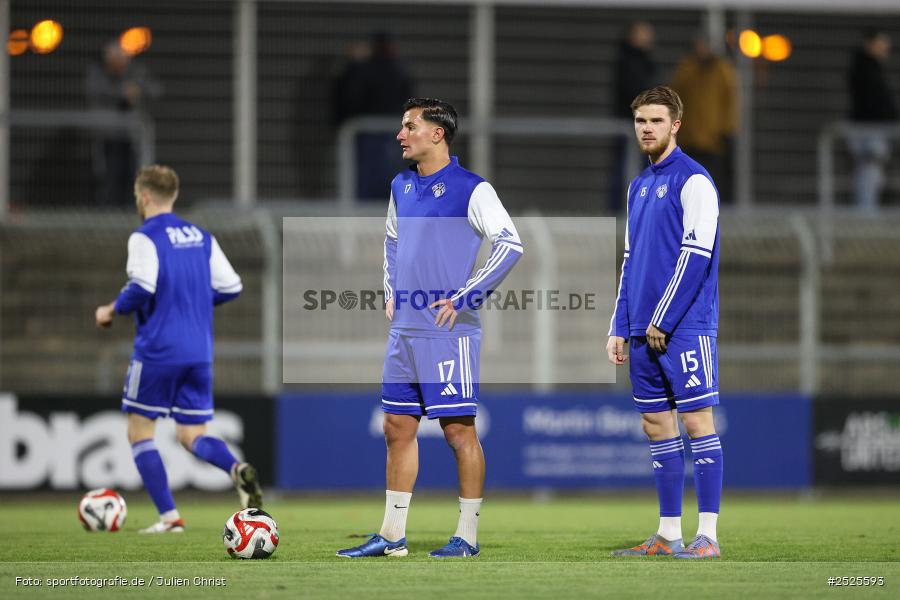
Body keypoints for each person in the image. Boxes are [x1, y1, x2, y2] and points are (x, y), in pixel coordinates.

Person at [336, 98, 523, 558]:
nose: (401, 135)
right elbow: (393, 241)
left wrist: (464, 298)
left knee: (459, 431)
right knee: (397, 426)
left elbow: (510, 244)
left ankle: (468, 536)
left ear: (437, 133)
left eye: (410, 126)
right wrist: (391, 290)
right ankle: (393, 536)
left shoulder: (472, 189)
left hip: (448, 330)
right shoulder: (400, 185)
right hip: (405, 330)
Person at [94, 165, 262, 533]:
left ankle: (170, 518)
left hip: (157, 350)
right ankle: (236, 469)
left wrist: (111, 309)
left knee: (140, 433)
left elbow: (141, 287)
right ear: (174, 195)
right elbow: (232, 286)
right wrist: (196, 301)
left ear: (144, 197)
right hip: (199, 351)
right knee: (192, 435)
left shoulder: (144, 237)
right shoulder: (201, 236)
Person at [606, 86, 723, 559]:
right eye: (640, 121)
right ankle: (669, 533)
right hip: (641, 329)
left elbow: (696, 255)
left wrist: (663, 317)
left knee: (697, 422)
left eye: (656, 120)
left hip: (685, 326)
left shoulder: (694, 181)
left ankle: (709, 537)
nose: (647, 129)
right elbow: (631, 260)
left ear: (676, 125)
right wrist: (620, 323)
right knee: (657, 423)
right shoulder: (638, 186)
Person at [332, 32, 415, 200]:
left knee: (374, 179)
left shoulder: (366, 69)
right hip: (377, 133)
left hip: (374, 133)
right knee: (383, 178)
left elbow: (349, 98)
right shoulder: (397, 70)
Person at [86, 40, 161, 205]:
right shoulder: (98, 74)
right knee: (109, 177)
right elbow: (96, 92)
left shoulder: (135, 73)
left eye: (123, 61)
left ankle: (128, 213)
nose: (120, 65)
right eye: (116, 61)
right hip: (107, 138)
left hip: (131, 138)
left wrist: (137, 92)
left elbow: (155, 90)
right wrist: (122, 93)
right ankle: (106, 213)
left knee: (133, 177)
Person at [670, 35, 736, 203]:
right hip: (688, 139)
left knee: (712, 182)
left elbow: (730, 103)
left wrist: (727, 130)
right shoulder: (687, 69)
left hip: (713, 140)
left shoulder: (722, 71)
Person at [610, 21, 659, 213]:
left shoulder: (645, 62)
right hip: (630, 126)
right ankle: (620, 210)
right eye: (643, 34)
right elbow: (634, 92)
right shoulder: (629, 61)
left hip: (640, 127)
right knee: (624, 169)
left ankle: (637, 209)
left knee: (641, 169)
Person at [847, 30, 898, 213]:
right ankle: (866, 215)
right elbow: (874, 101)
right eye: (881, 44)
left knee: (873, 174)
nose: (885, 48)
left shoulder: (871, 68)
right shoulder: (864, 69)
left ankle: (868, 212)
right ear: (870, 44)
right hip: (868, 129)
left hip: (873, 129)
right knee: (869, 172)